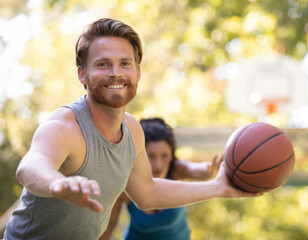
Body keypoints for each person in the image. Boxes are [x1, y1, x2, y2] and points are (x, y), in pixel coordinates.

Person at [4, 18, 260, 240]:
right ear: (82, 74)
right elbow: (30, 167)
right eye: (103, 64)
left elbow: (148, 193)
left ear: (138, 72)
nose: (116, 73)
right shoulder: (64, 125)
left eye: (125, 64)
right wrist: (57, 184)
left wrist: (220, 187)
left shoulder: (133, 130)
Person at [100, 118, 222, 240]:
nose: (158, 164)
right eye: (151, 156)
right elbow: (109, 224)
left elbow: (196, 170)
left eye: (164, 156)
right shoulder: (127, 182)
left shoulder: (176, 170)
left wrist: (209, 170)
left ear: (172, 155)